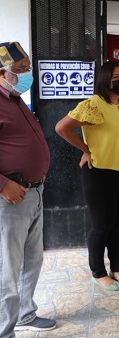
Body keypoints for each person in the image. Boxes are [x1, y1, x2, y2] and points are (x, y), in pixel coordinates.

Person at [55, 60, 119, 291]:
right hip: (100, 173)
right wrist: (86, 150)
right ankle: (98, 272)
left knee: (116, 223)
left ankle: (117, 268)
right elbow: (62, 128)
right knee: (102, 224)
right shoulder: (93, 105)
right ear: (105, 80)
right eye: (116, 77)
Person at [0, 42, 57, 336]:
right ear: (1, 72)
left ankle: (25, 313)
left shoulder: (15, 99)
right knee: (8, 267)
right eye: (20, 70)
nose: (27, 75)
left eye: (27, 69)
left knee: (31, 259)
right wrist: (3, 184)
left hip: (34, 192)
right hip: (11, 196)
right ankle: (3, 330)